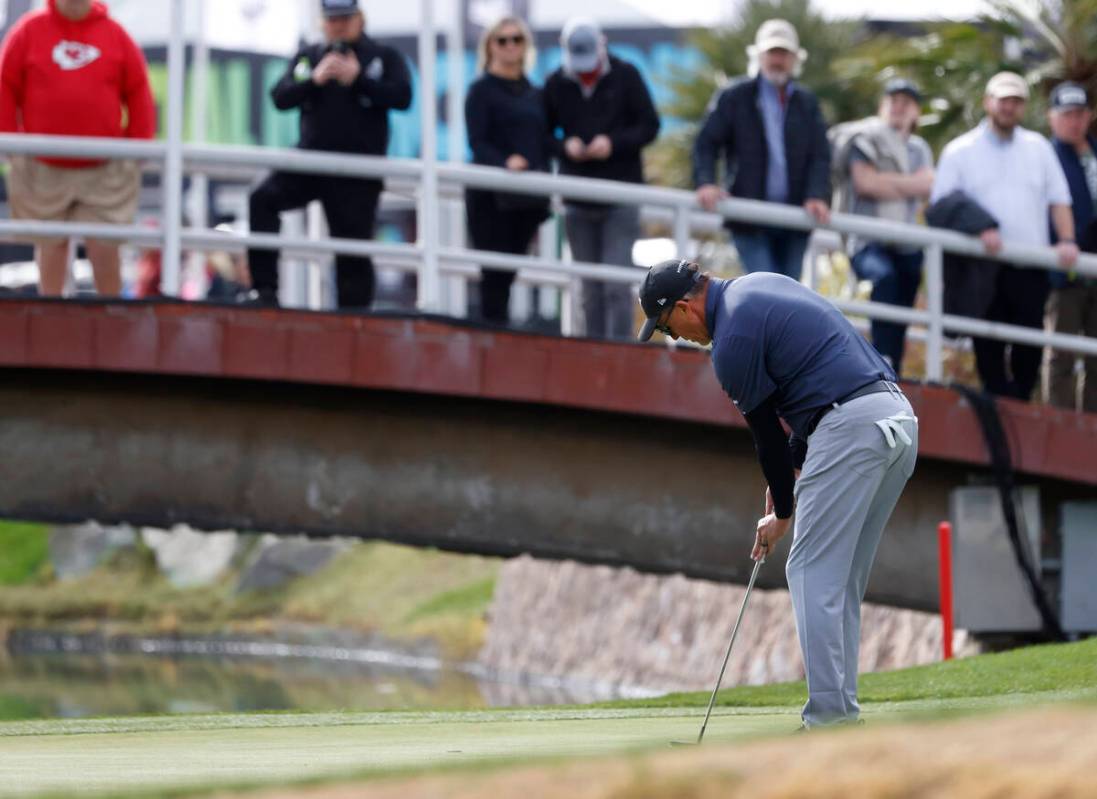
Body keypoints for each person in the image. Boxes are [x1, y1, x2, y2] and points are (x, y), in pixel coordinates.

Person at [636, 259, 917, 729]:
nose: (674, 336)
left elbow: (766, 437)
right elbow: (817, 380)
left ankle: (829, 722)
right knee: (840, 580)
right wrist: (792, 472)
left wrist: (782, 512)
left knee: (809, 569)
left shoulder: (730, 342)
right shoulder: (760, 286)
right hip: (897, 419)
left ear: (684, 307)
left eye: (667, 326)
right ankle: (841, 716)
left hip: (850, 427)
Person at [246, 0, 411, 309]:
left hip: (357, 172)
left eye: (346, 18)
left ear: (360, 18)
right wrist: (314, 80)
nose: (339, 25)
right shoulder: (310, 56)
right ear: (322, 22)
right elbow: (280, 96)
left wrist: (359, 80)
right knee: (262, 198)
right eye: (333, 19)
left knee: (353, 251)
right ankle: (264, 291)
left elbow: (402, 96)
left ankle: (355, 320)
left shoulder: (383, 56)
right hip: (310, 162)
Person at [930, 72, 1078, 401]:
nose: (1009, 107)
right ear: (988, 102)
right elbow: (941, 207)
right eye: (1003, 99)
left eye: (1017, 101)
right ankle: (997, 416)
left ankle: (1016, 413)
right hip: (982, 269)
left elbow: (1059, 200)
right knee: (989, 350)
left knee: (1029, 349)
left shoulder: (1038, 147)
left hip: (1030, 267)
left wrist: (1067, 240)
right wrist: (977, 225)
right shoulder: (960, 150)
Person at [0, 0, 155, 297]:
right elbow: (6, 83)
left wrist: (139, 142)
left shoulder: (115, 34)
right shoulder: (28, 31)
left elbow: (137, 88)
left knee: (105, 250)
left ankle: (111, 323)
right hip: (43, 166)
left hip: (103, 168)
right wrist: (9, 139)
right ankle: (52, 323)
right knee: (50, 249)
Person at [544, 17, 660, 339]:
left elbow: (650, 125)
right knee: (588, 286)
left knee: (614, 284)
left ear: (602, 45)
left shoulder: (627, 75)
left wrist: (613, 143)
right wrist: (565, 146)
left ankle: (619, 351)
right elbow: (541, 133)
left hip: (620, 196)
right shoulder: (556, 83)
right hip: (577, 198)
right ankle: (591, 351)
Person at [693, 19, 831, 281]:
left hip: (795, 220)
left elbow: (820, 155)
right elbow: (706, 142)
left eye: (783, 53)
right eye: (772, 52)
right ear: (759, 55)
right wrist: (706, 182)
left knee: (788, 293)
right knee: (767, 286)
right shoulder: (734, 96)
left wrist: (817, 194)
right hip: (748, 218)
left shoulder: (807, 103)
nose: (777, 60)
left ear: (794, 58)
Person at [841, 79, 935, 374]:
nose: (898, 106)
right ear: (882, 106)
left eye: (906, 102)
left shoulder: (920, 148)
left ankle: (892, 368)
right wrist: (909, 185)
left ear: (916, 112)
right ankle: (879, 361)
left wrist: (886, 183)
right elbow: (865, 184)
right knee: (884, 279)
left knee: (905, 294)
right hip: (867, 240)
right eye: (892, 100)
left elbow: (928, 186)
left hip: (905, 243)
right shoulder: (864, 138)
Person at [464, 15, 550, 325]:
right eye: (502, 40)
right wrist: (505, 162)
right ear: (490, 46)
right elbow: (477, 141)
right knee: (494, 274)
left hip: (525, 198)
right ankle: (490, 339)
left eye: (517, 39)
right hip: (490, 197)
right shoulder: (480, 90)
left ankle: (498, 336)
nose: (510, 46)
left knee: (510, 270)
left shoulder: (534, 91)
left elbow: (545, 140)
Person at [1044, 81, 1097, 413]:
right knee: (1059, 355)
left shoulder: (1093, 152)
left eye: (1079, 114)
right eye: (1067, 115)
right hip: (1063, 275)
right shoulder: (1044, 156)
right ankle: (1057, 426)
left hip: (1094, 272)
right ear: (1052, 118)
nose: (1074, 121)